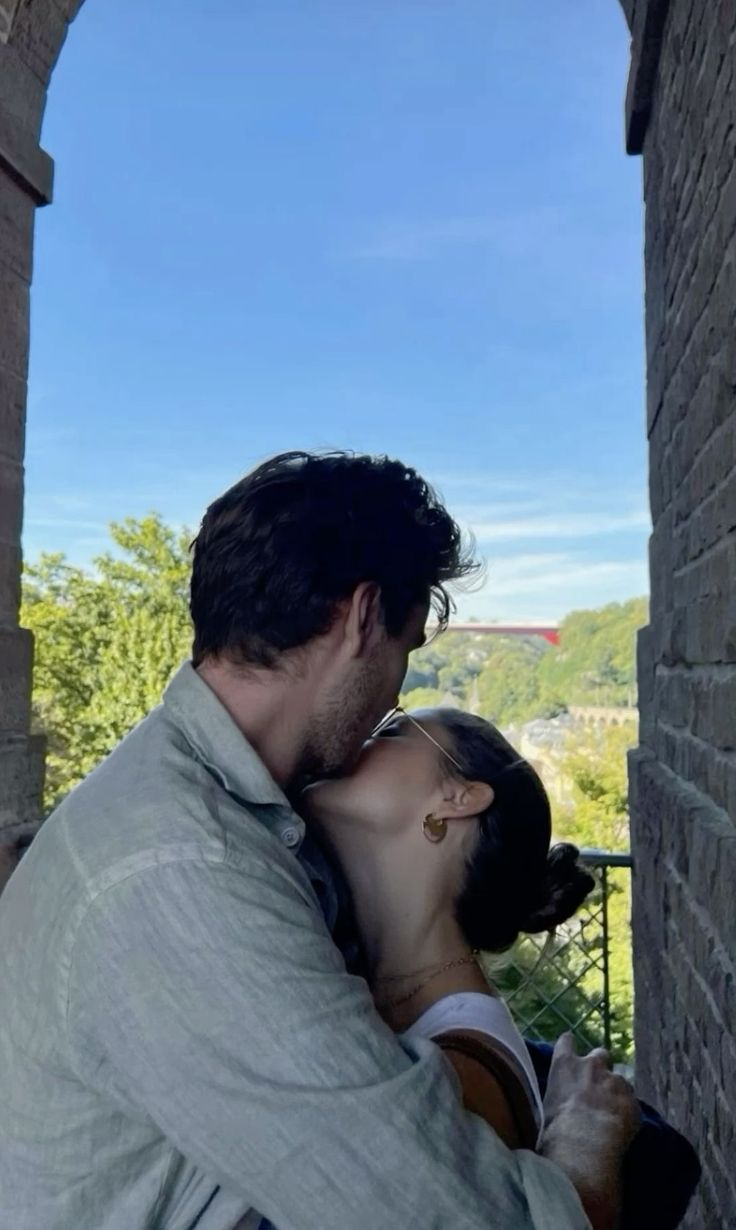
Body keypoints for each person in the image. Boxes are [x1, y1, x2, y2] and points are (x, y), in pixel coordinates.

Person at [0, 451, 639, 1230]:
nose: (390, 700)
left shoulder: (200, 809)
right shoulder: (190, 865)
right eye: (403, 660)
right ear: (364, 617)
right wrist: (582, 1157)